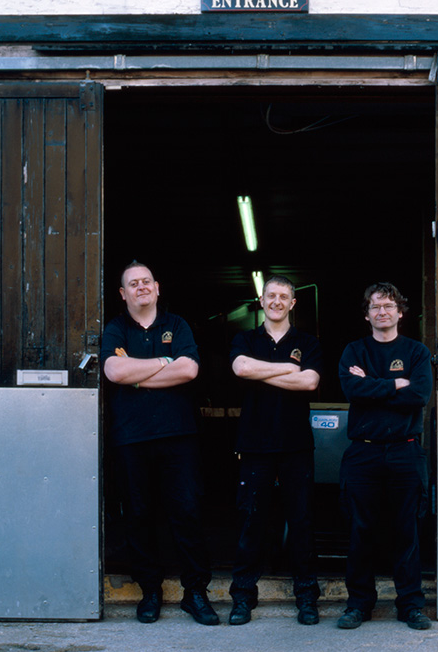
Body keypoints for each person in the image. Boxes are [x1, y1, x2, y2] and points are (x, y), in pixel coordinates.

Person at [100, 261, 219, 626]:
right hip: (131, 438)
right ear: (123, 293)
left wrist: (138, 376)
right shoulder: (116, 329)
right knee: (138, 515)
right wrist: (164, 363)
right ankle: (150, 591)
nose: (141, 288)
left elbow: (189, 369)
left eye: (146, 282)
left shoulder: (177, 325)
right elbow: (114, 372)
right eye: (133, 284)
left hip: (178, 436)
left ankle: (195, 593)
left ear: (157, 287)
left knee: (187, 513)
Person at [337, 282, 433, 630]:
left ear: (400, 312)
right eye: (376, 306)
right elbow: (352, 390)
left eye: (389, 306)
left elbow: (419, 394)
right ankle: (359, 604)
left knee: (406, 531)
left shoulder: (416, 352)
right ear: (367, 315)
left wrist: (373, 385)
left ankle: (409, 605)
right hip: (363, 452)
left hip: (405, 451)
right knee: (361, 530)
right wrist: (395, 384)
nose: (382, 312)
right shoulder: (354, 350)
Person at [228, 275, 322, 625]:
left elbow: (310, 381)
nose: (277, 301)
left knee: (301, 522)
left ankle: (307, 598)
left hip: (296, 445)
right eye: (271, 295)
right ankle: (242, 598)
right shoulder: (246, 338)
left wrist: (259, 372)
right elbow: (240, 367)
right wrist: (286, 369)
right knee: (251, 522)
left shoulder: (307, 342)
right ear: (262, 299)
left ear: (293, 303)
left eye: (284, 296)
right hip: (255, 446)